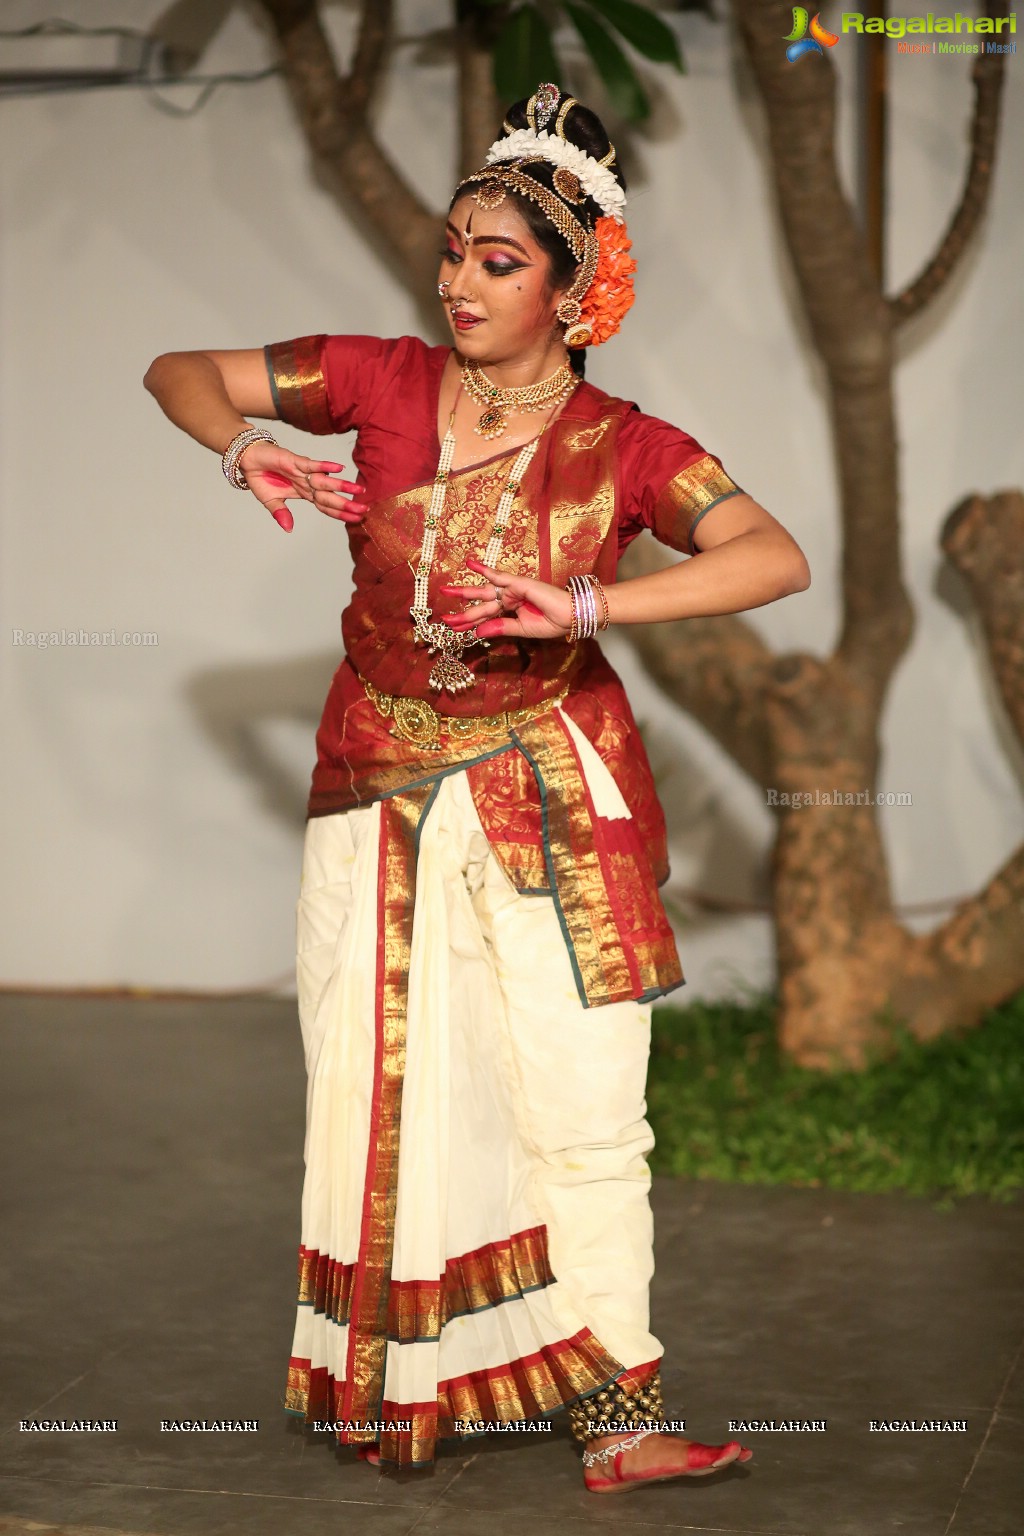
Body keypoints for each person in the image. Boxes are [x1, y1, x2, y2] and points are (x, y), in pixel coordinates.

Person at [144, 83, 809, 1495]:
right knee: (384, 1089)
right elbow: (178, 367)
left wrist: (588, 604)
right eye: (454, 249)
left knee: (586, 1103)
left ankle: (621, 1413)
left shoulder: (628, 447)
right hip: (377, 795)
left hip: (552, 799)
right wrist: (241, 445)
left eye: (498, 261)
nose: (459, 279)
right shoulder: (376, 380)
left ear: (576, 291)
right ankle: (402, 1379)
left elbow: (773, 557)